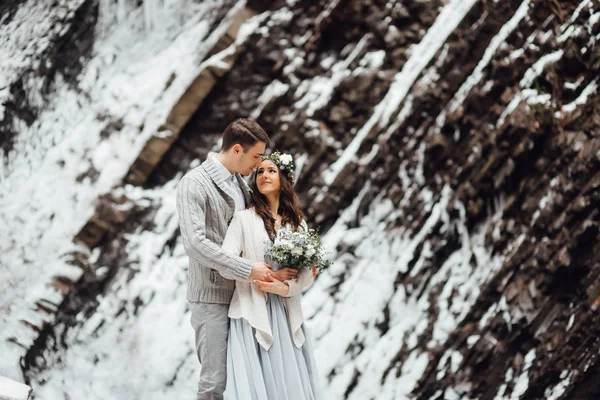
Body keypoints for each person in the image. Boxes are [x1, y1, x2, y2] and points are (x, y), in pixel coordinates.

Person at [176, 119, 299, 400]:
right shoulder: (193, 184)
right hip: (212, 297)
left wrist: (291, 261)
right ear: (236, 150)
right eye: (256, 156)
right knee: (214, 383)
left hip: (245, 297)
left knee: (250, 378)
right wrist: (248, 270)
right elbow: (195, 244)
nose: (258, 165)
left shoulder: (239, 183)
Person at [219, 151, 324, 399]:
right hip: (252, 311)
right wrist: (269, 275)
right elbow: (225, 262)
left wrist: (286, 288)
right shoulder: (243, 219)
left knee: (289, 384)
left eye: (271, 171)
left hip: (286, 313)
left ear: (283, 179)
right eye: (260, 171)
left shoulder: (297, 223)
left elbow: (308, 271)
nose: (264, 175)